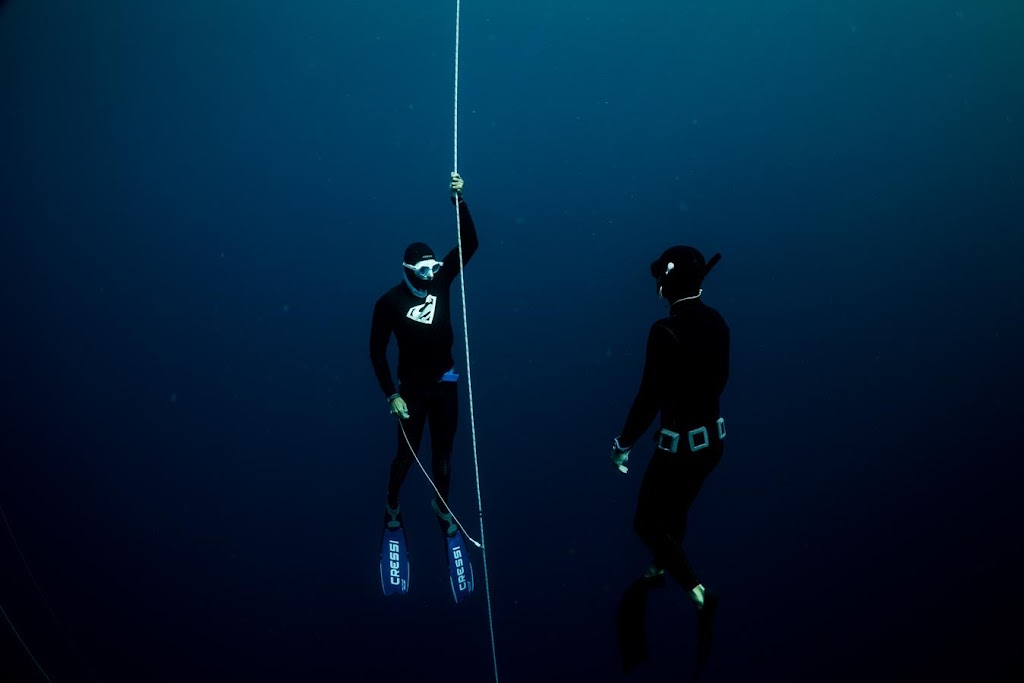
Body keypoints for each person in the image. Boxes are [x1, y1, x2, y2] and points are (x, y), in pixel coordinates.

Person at [610, 245, 729, 679]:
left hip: (679, 447)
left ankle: (697, 591)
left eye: (659, 278)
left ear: (668, 282)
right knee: (676, 508)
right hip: (713, 444)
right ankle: (662, 562)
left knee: (645, 522)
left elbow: (648, 397)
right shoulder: (718, 321)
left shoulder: (664, 331)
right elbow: (720, 380)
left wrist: (623, 443)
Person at [370, 172, 478, 601]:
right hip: (411, 392)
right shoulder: (390, 302)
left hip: (446, 384)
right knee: (405, 458)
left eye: (435, 266)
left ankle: (442, 508)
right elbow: (376, 353)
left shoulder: (444, 279)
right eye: (424, 269)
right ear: (407, 271)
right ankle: (392, 509)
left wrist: (460, 201)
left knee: (445, 457)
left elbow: (469, 245)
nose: (432, 273)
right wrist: (391, 395)